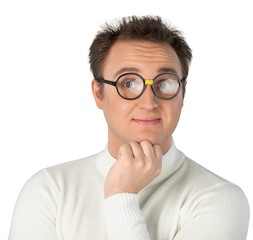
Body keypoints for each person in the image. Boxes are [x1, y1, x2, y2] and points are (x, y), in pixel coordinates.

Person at [8, 15, 250, 240]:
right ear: (98, 93)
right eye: (129, 83)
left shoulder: (220, 198)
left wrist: (120, 195)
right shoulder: (50, 189)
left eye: (164, 84)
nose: (149, 102)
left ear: (182, 93)